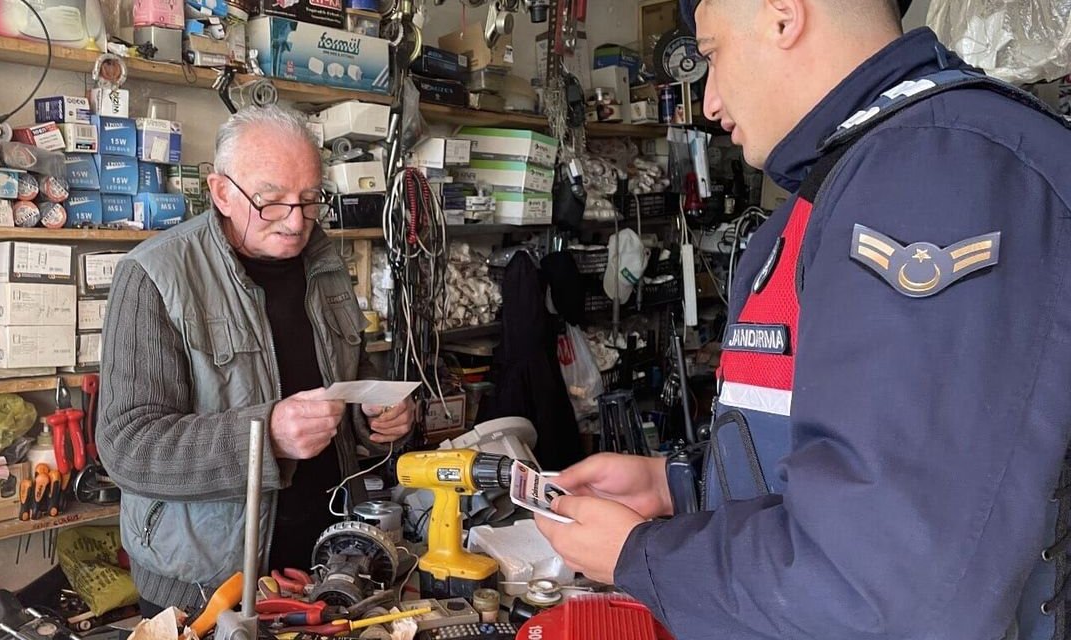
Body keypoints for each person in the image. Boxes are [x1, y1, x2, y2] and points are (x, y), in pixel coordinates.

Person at [537, 1, 1071, 638]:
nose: (708, 102)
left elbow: (878, 582)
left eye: (711, 53)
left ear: (783, 16)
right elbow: (849, 455)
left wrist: (643, 557)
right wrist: (682, 488)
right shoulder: (851, 178)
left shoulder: (933, 174)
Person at [97, 105, 413, 617]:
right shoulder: (155, 275)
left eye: (310, 201)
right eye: (270, 202)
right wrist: (264, 437)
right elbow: (128, 445)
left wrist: (374, 417)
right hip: (207, 581)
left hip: (327, 560)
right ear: (221, 191)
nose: (295, 222)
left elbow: (346, 379)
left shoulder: (325, 263)